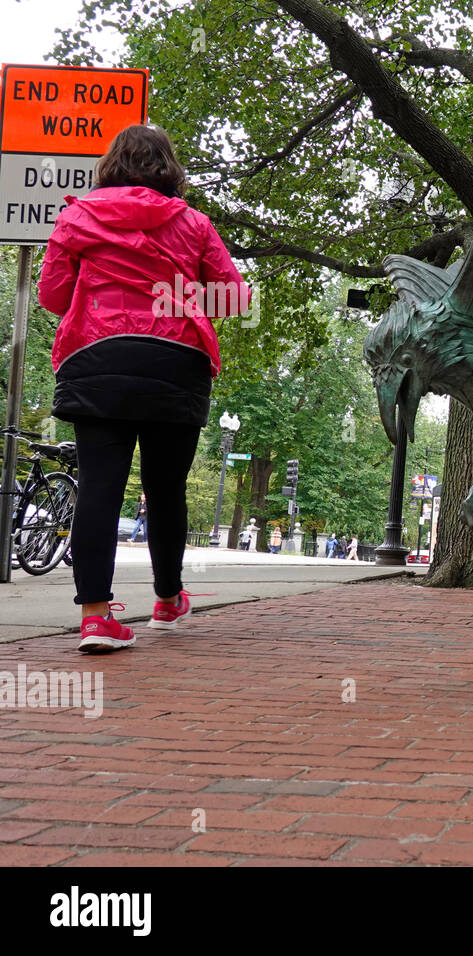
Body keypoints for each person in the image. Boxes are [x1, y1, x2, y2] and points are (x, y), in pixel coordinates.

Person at [39, 124, 251, 652]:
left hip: (97, 355)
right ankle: (166, 599)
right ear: (168, 167)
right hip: (174, 361)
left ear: (111, 163)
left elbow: (53, 295)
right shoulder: (193, 223)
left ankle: (94, 616)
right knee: (165, 490)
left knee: (98, 486)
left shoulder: (77, 217)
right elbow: (234, 299)